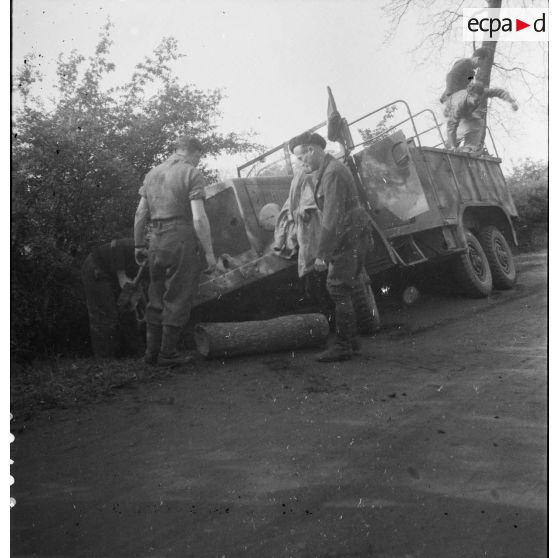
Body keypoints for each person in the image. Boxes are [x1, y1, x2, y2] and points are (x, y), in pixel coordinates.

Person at [134, 136, 217, 367]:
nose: (198, 161)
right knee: (178, 297)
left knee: (155, 296)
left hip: (155, 240)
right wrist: (209, 253)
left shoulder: (152, 174)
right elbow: (199, 218)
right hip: (179, 238)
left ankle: (150, 353)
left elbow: (140, 213)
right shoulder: (191, 173)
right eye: (199, 157)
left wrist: (139, 244)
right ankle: (168, 354)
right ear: (195, 153)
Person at [289, 131, 372, 362]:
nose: (300, 162)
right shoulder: (326, 170)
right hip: (351, 231)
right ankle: (351, 340)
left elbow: (331, 216)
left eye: (301, 157)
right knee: (344, 287)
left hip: (349, 233)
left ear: (312, 150)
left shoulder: (332, 173)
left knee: (337, 288)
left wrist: (321, 254)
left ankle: (344, 345)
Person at [81, 238, 146, 358]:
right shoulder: (142, 245)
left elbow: (138, 279)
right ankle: (105, 360)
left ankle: (137, 354)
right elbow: (115, 244)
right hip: (96, 266)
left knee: (128, 310)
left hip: (111, 273)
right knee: (106, 314)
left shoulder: (156, 262)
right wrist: (121, 275)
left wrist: (139, 300)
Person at [445, 80, 519, 152]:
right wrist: (452, 146)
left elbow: (499, 92)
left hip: (465, 113)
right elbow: (451, 126)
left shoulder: (481, 93)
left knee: (478, 122)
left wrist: (511, 101)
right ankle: (450, 144)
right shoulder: (459, 104)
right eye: (476, 100)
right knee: (461, 128)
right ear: (470, 95)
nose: (478, 102)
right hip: (448, 112)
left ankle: (469, 146)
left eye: (480, 99)